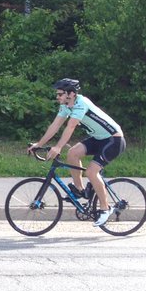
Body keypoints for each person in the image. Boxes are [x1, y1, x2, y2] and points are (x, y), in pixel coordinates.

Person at [27, 78, 125, 228]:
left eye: (60, 94)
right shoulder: (66, 105)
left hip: (113, 139)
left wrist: (58, 147)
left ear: (71, 94)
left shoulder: (81, 103)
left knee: (91, 172)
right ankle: (80, 190)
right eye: (57, 94)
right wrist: (39, 144)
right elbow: (55, 125)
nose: (57, 97)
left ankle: (105, 209)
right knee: (72, 153)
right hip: (98, 138)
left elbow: (70, 127)